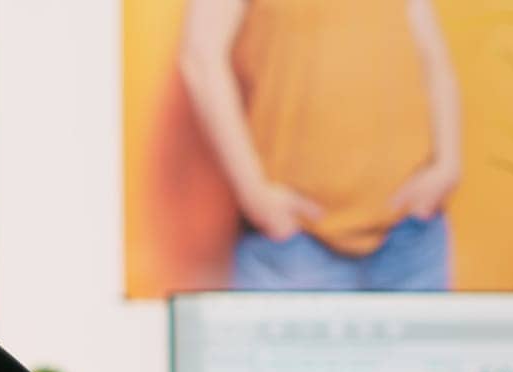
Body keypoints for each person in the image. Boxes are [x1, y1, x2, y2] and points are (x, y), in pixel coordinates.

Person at [179, 0, 461, 291]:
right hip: (295, 243)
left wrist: (448, 165)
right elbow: (201, 57)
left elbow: (432, 55)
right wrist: (256, 198)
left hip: (412, 232)